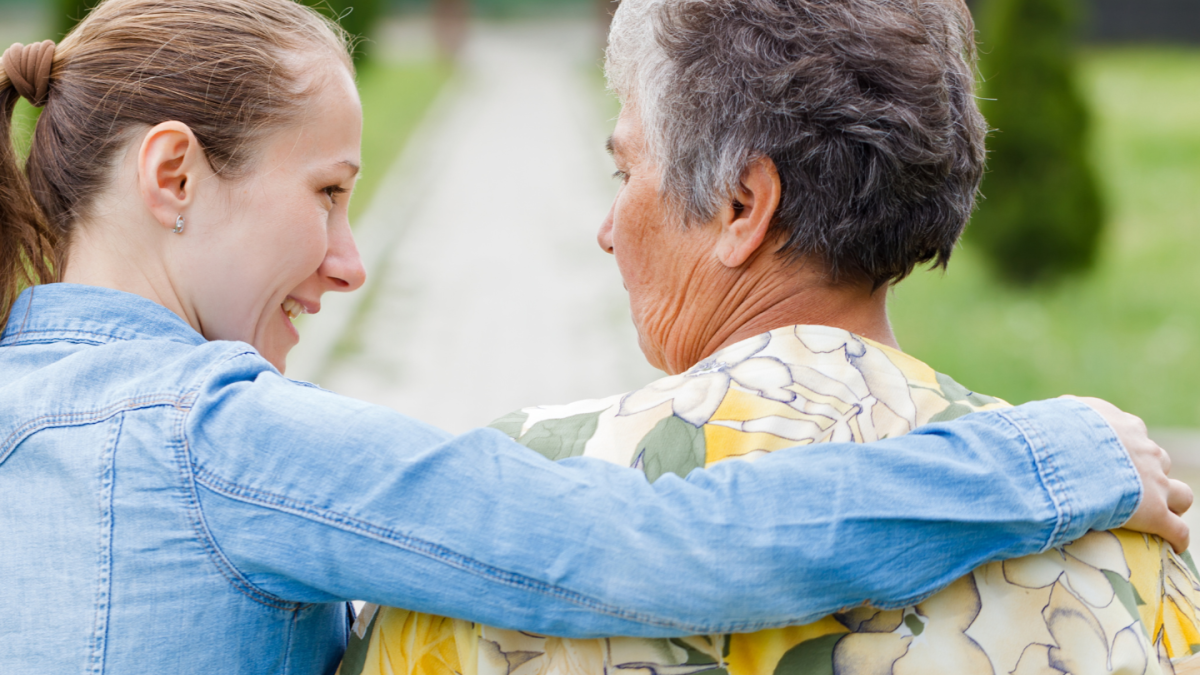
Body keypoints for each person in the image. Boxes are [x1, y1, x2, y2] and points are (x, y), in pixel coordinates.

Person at [0, 0, 1186, 673]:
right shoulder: (221, 441)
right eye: (325, 193)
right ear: (171, 173)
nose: (352, 260)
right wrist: (1042, 461)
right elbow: (648, 544)